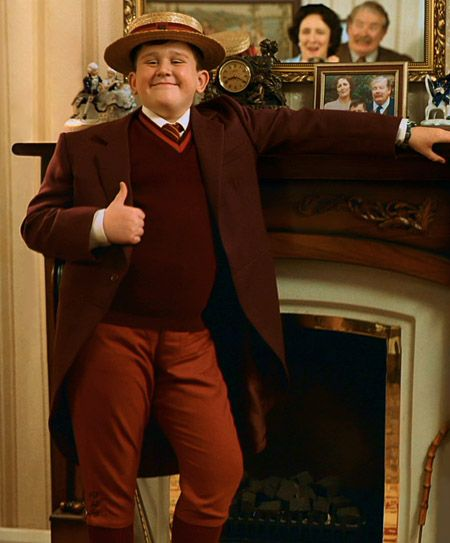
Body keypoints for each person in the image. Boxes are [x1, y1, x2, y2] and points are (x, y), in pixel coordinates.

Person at [20, 10, 450, 543]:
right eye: (149, 61)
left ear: (201, 80)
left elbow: (315, 125)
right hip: (111, 336)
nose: (164, 70)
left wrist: (406, 131)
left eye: (178, 60)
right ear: (132, 80)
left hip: (192, 339)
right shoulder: (86, 145)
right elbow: (36, 224)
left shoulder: (234, 127)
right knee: (109, 495)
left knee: (220, 472)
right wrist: (102, 225)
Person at [337, 1, 413, 62]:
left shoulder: (400, 62)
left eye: (373, 27)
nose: (364, 34)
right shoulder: (329, 57)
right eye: (359, 25)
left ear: (384, 33)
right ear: (349, 27)